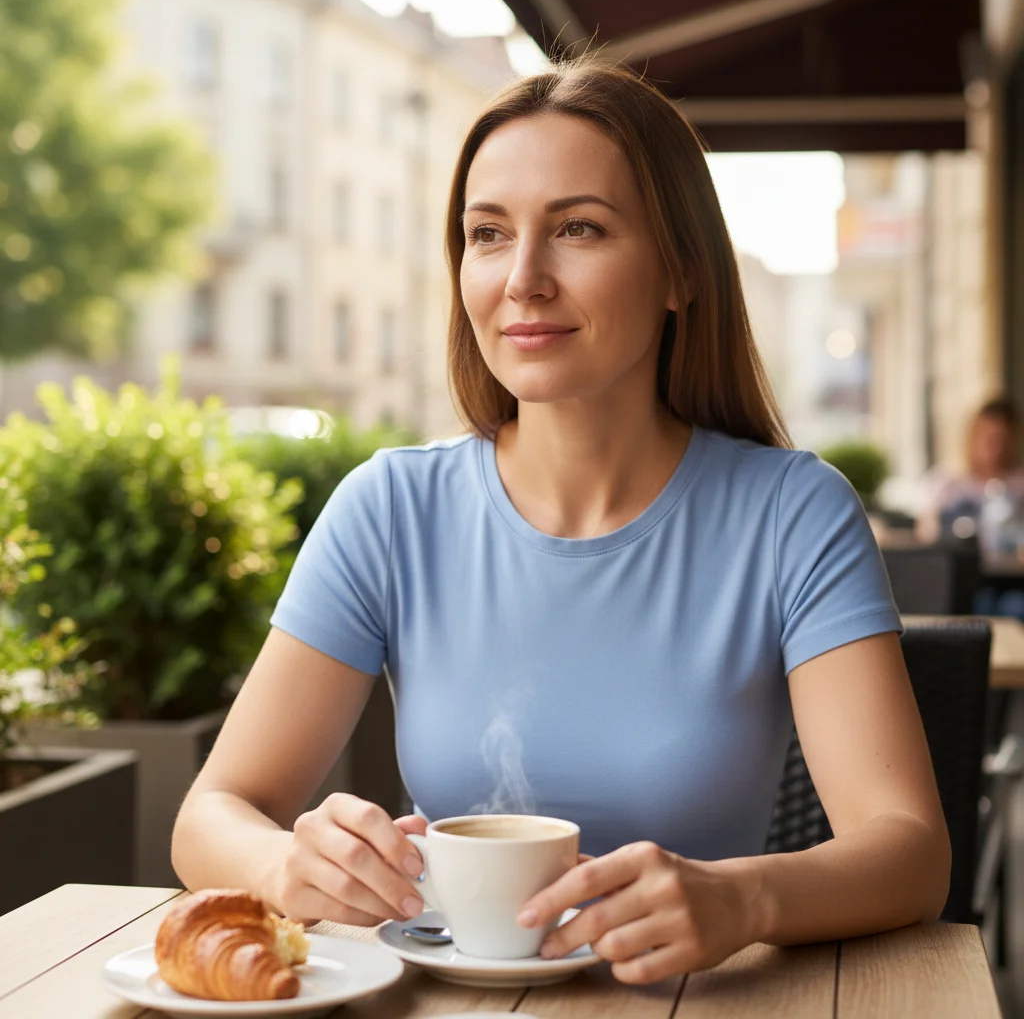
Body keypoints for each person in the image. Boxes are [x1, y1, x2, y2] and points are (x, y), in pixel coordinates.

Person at [172, 58, 950, 985]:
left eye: (579, 228)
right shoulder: (390, 509)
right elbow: (211, 811)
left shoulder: (793, 514)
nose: (524, 279)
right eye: (488, 234)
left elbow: (910, 851)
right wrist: (284, 864)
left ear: (680, 271)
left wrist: (743, 899)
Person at [916, 398, 1024, 546]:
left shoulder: (1019, 484)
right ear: (973, 437)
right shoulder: (947, 482)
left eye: (1002, 439)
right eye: (989, 439)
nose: (996, 449)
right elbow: (926, 532)